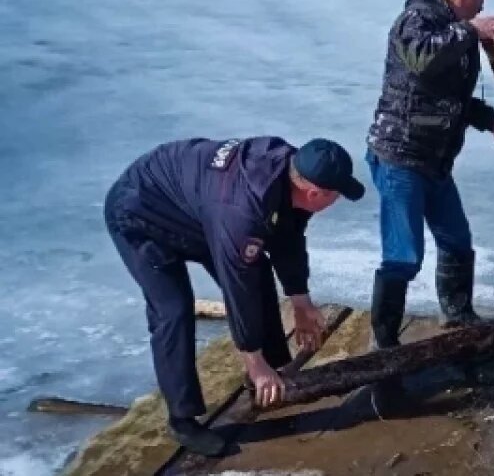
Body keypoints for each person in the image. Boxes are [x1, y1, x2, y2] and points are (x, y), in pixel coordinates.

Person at [104, 136, 364, 456]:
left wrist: (301, 300)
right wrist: (252, 359)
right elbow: (238, 288)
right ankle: (182, 420)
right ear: (314, 193)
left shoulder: (289, 173)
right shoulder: (242, 214)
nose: (338, 200)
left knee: (257, 271)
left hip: (198, 211)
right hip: (138, 213)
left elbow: (288, 237)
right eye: (337, 195)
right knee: (173, 310)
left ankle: (273, 370)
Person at [365, 0, 494, 361]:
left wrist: (493, 122)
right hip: (399, 156)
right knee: (404, 254)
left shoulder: (455, 29)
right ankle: (384, 342)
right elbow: (421, 58)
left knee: (456, 241)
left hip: (435, 160)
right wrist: (471, 31)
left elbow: (452, 99)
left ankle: (458, 315)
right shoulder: (417, 18)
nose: (482, 7)